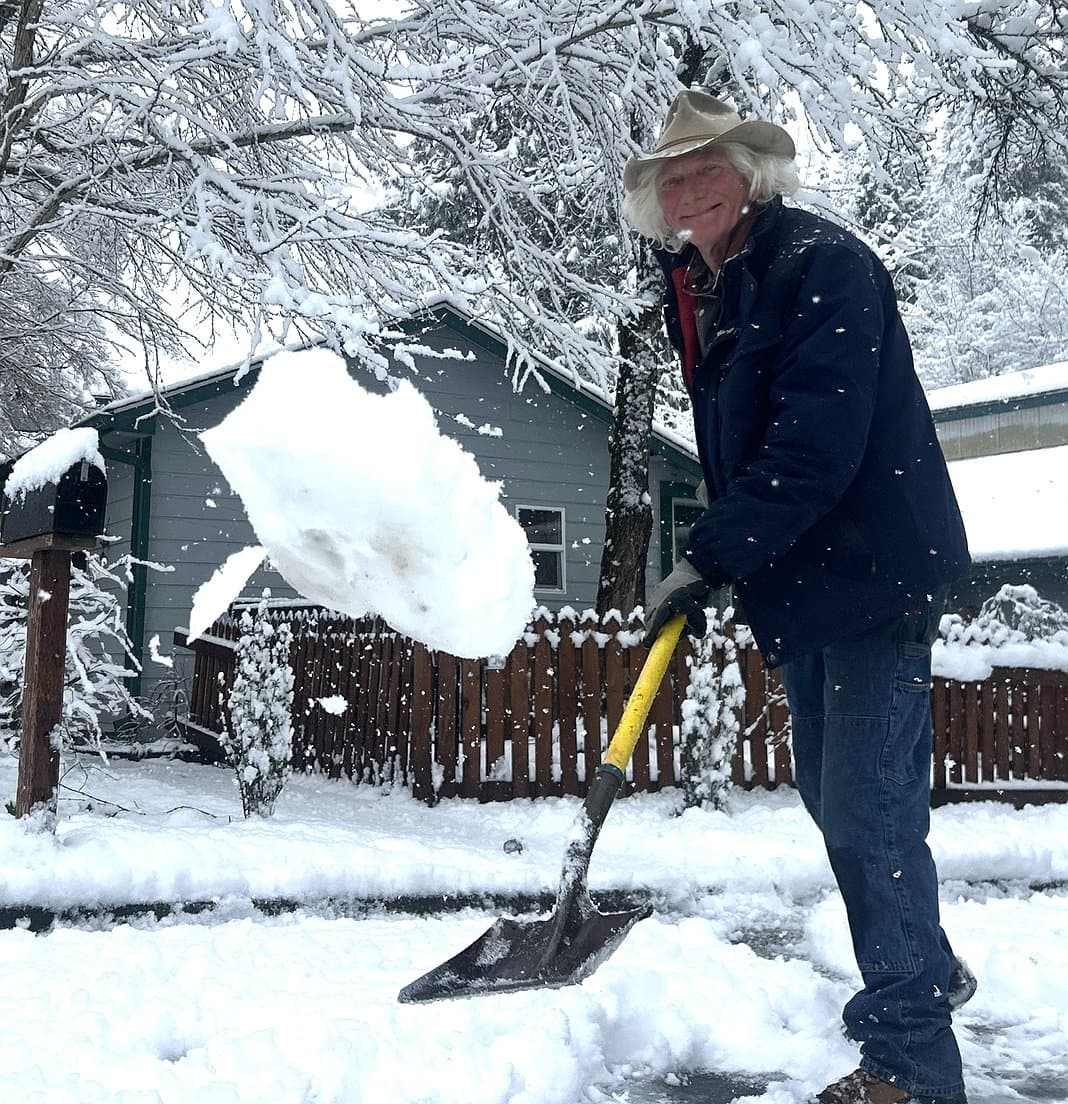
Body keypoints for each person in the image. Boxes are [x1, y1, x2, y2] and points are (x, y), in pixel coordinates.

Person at [626, 90, 975, 1104]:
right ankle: (928, 971)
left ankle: (909, 1064)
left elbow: (816, 443)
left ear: (751, 174)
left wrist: (710, 556)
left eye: (708, 169)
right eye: (672, 179)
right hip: (808, 580)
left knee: (870, 819)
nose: (689, 189)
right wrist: (731, 557)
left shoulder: (820, 265)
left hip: (871, 569)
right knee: (839, 802)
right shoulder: (708, 283)